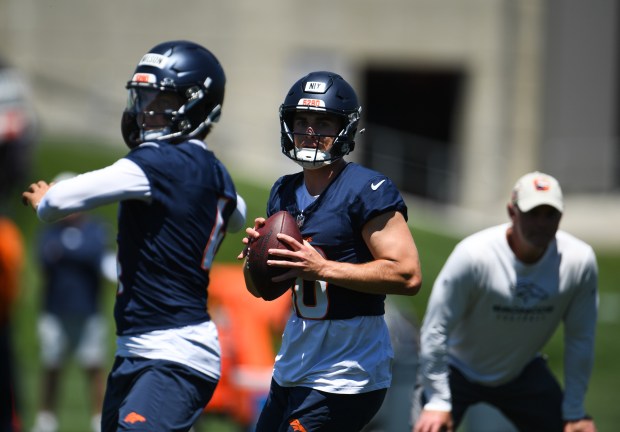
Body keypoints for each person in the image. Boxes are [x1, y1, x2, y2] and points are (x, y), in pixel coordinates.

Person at [23, 40, 247, 432]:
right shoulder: (215, 171)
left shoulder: (155, 163)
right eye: (145, 98)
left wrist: (45, 199)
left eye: (163, 101)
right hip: (144, 350)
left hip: (172, 350)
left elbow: (60, 201)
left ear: (198, 104)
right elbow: (236, 216)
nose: (148, 111)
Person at [238, 71, 423, 431]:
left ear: (345, 128)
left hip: (347, 370)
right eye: (302, 121)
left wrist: (321, 268)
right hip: (295, 361)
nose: (310, 131)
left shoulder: (366, 189)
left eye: (322, 122)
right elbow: (261, 290)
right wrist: (257, 259)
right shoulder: (283, 190)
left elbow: (407, 274)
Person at [413, 171, 598, 432]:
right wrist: (438, 402)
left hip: (521, 371)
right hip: (456, 369)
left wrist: (575, 411)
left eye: (550, 215)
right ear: (512, 213)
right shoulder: (474, 255)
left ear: (561, 216)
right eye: (533, 213)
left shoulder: (579, 261)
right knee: (428, 427)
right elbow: (435, 328)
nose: (542, 223)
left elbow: (581, 338)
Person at [31, 172, 113, 432]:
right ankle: (46, 419)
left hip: (88, 311)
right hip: (55, 309)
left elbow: (93, 254)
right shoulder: (50, 230)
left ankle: (98, 420)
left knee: (94, 367)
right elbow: (43, 258)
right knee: (52, 366)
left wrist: (65, 253)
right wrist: (73, 253)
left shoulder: (95, 229)